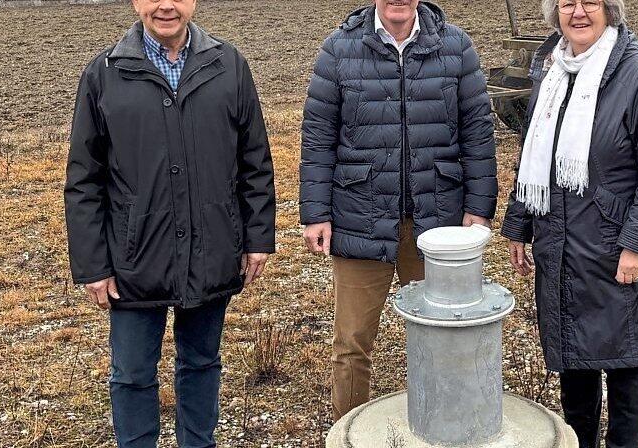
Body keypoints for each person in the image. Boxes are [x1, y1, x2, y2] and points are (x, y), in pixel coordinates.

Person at [64, 0, 275, 445]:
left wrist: (256, 238)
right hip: (134, 258)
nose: (165, 5)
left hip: (212, 247)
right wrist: (93, 266)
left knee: (201, 363)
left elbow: (254, 160)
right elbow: (84, 179)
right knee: (133, 373)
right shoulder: (104, 73)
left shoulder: (229, 65)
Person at [300, 0, 498, 421]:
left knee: (444, 336)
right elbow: (318, 137)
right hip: (360, 216)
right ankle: (347, 427)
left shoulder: (455, 46)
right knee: (352, 342)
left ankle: (447, 426)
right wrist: (317, 213)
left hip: (437, 221)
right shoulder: (339, 49)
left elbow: (478, 130)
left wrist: (479, 208)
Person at [500, 0, 638, 447]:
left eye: (590, 3)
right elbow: (534, 155)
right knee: (574, 360)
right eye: (567, 3)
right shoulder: (550, 72)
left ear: (610, 11)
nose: (578, 12)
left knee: (627, 363)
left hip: (615, 245)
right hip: (562, 247)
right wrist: (519, 226)